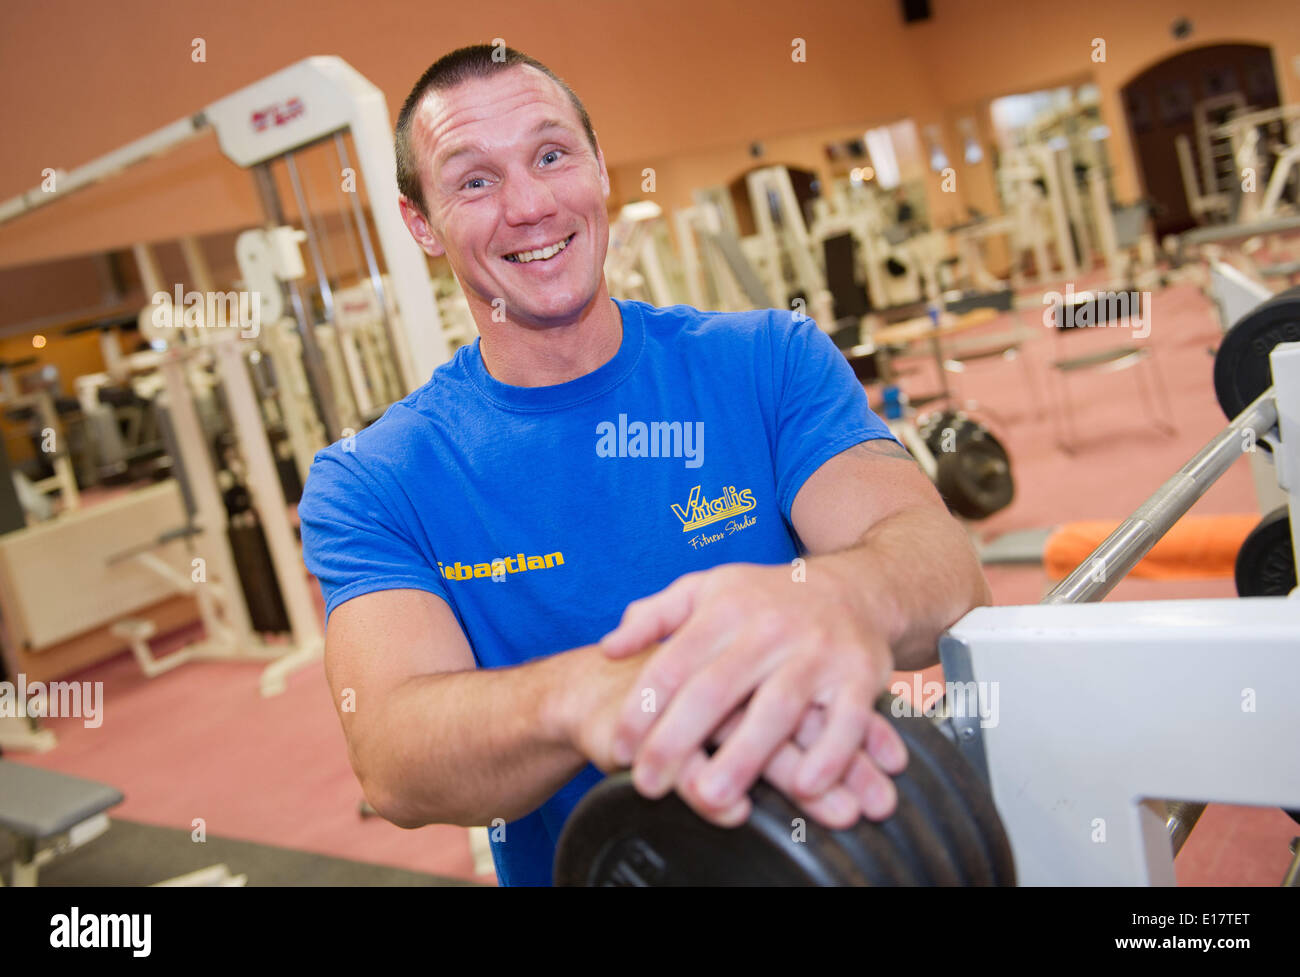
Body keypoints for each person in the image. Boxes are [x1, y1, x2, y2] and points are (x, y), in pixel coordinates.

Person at [298, 44, 990, 885]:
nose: (529, 205)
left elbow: (941, 563)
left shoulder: (769, 359)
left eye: (551, 155)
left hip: (842, 857)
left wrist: (835, 596)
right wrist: (590, 694)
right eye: (473, 181)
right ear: (421, 225)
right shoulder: (373, 480)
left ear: (599, 169)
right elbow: (392, 755)